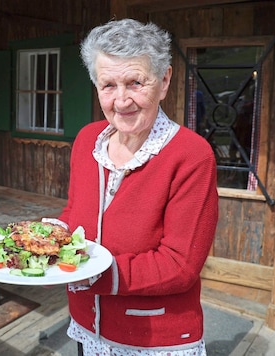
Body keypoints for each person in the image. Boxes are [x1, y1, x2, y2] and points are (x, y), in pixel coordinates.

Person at [55, 18, 219, 355]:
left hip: (153, 337)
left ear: (164, 81)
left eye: (135, 83)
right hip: (87, 323)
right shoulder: (88, 139)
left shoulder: (191, 155)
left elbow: (180, 265)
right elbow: (75, 214)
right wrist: (52, 238)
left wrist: (90, 275)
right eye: (108, 85)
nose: (121, 100)